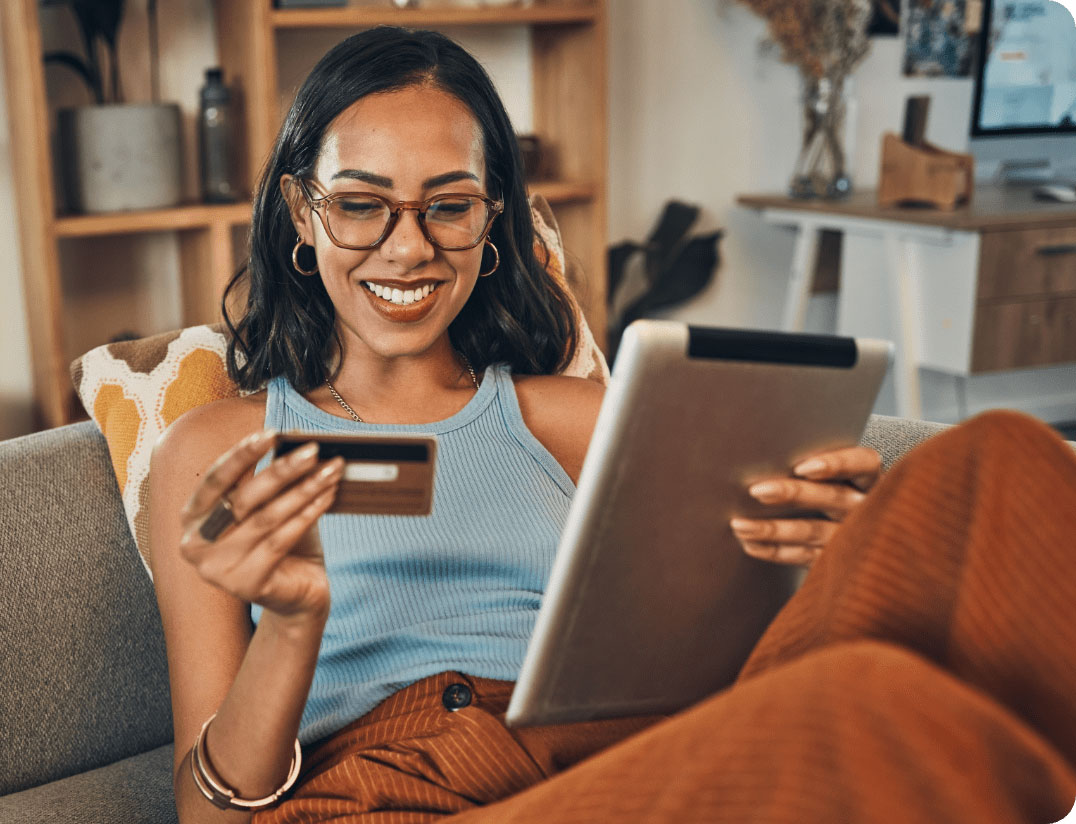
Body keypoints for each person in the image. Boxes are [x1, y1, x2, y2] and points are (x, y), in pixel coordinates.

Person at [148, 26, 1076, 824]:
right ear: (301, 216)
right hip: (385, 792)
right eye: (360, 204)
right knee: (864, 706)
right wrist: (294, 624)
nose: (408, 245)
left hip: (599, 758)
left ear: (492, 219)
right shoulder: (218, 451)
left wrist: (828, 557)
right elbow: (209, 812)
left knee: (1002, 459)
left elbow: (708, 653)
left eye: (450, 206)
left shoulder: (581, 420)